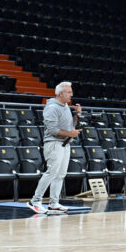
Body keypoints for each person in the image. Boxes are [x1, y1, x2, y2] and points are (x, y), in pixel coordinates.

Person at [28, 81, 81, 215]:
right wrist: (71, 134)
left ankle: (53, 203)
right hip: (53, 143)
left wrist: (77, 115)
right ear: (61, 93)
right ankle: (35, 201)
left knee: (61, 174)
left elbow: (70, 126)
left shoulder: (65, 107)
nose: (71, 95)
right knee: (52, 172)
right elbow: (52, 130)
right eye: (69, 92)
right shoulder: (52, 107)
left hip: (65, 144)